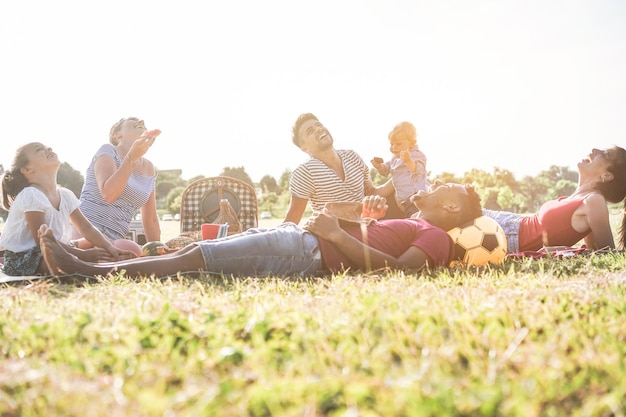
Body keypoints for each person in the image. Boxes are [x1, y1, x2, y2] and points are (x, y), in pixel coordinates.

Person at [39, 183, 483, 278]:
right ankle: (86, 261)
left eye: (449, 189)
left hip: (308, 251)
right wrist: (344, 224)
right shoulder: (415, 221)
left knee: (195, 258)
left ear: (451, 207)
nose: (440, 184)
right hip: (303, 242)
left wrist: (337, 235)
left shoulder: (438, 236)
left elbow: (403, 272)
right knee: (197, 254)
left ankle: (85, 271)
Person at [0, 143, 136, 276]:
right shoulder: (31, 194)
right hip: (24, 257)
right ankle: (74, 264)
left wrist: (111, 249)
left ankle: (77, 261)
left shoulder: (65, 195)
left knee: (97, 242)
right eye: (38, 150)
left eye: (46, 146)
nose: (48, 148)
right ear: (27, 169)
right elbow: (43, 241)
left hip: (58, 248)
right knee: (55, 255)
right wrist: (82, 255)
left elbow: (86, 228)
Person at [482, 146, 626, 253]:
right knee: (461, 194)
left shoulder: (594, 201)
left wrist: (566, 250)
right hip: (509, 222)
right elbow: (591, 248)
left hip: (508, 236)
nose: (595, 150)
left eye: (605, 154)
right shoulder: (580, 198)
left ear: (607, 176)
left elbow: (606, 251)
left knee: (460, 195)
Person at [284, 113, 398, 224]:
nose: (318, 129)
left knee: (404, 198)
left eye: (319, 125)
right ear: (304, 148)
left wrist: (401, 173)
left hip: (366, 226)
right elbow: (292, 220)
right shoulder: (305, 172)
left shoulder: (352, 156)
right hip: (335, 233)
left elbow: (372, 192)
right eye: (310, 131)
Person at [73, 117, 161, 256]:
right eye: (133, 120)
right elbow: (109, 194)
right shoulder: (108, 150)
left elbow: (151, 220)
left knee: (130, 249)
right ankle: (77, 249)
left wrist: (157, 252)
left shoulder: (149, 168)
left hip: (116, 238)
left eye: (144, 123)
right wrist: (131, 157)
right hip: (87, 229)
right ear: (117, 135)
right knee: (130, 250)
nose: (142, 121)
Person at [371, 121, 430, 217]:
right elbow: (385, 170)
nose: (394, 147)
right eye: (391, 144)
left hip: (416, 197)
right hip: (403, 199)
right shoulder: (395, 158)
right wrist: (379, 166)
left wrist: (408, 161)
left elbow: (418, 170)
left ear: (411, 143)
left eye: (398, 144)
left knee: (417, 217)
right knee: (409, 217)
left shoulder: (416, 154)